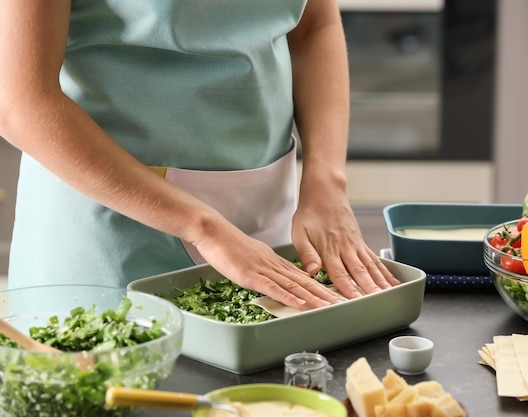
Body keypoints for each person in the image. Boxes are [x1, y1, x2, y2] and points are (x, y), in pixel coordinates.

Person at [0, 0, 398, 309]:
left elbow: (313, 25)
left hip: (264, 214)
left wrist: (326, 183)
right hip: (105, 225)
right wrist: (202, 227)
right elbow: (21, 103)